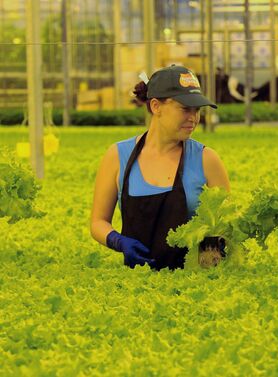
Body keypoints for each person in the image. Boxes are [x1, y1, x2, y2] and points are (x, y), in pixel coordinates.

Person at [90, 65, 230, 270]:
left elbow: (225, 226)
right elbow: (98, 222)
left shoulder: (207, 159)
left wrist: (208, 269)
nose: (193, 118)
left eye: (197, 110)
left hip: (195, 288)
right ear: (156, 106)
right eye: (185, 108)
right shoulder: (118, 155)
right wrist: (118, 242)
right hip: (136, 286)